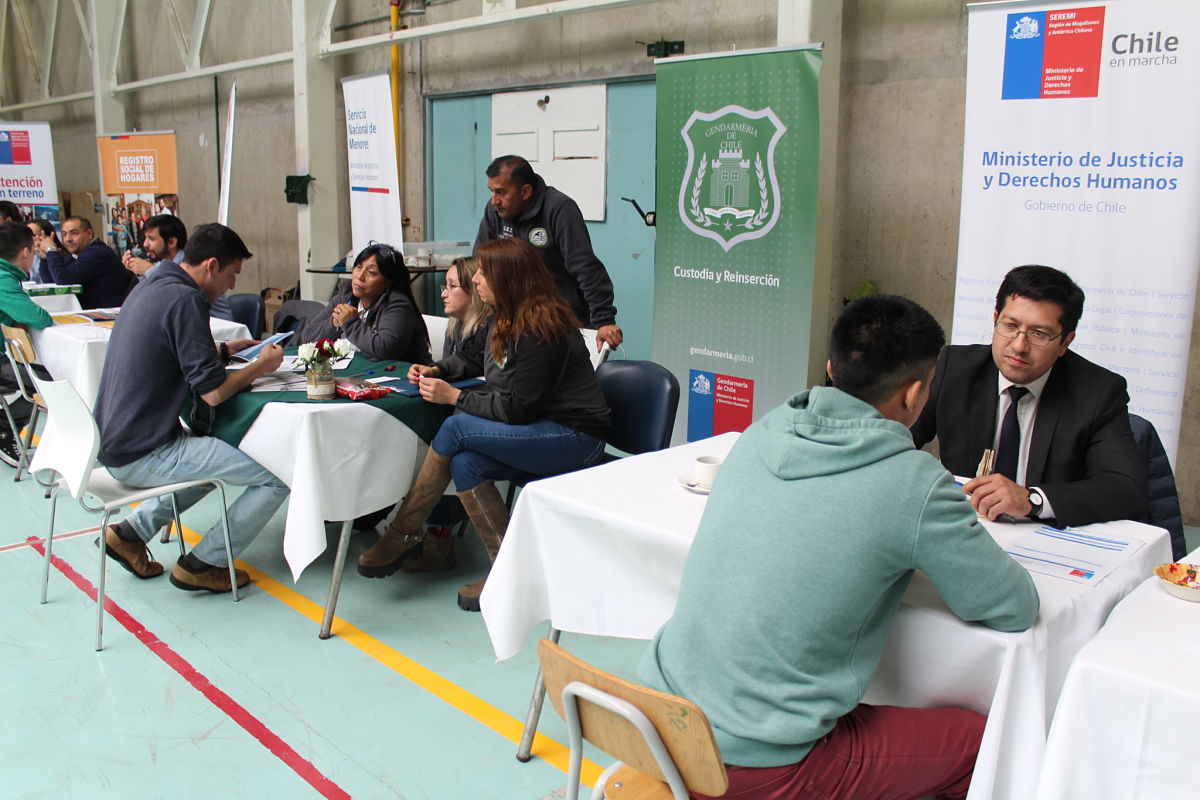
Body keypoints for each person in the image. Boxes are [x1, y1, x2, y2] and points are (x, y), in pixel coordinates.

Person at [638, 294, 1040, 800]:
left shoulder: (762, 431)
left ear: (830, 368)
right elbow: (1013, 607)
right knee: (989, 744)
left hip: (654, 715)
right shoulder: (912, 481)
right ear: (915, 394)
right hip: (757, 763)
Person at [357, 237, 611, 610]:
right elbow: (473, 359)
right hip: (541, 429)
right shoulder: (504, 317)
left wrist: (454, 396)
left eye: (484, 274)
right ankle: (510, 572)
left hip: (574, 436)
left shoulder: (542, 327)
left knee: (456, 428)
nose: (476, 281)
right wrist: (438, 369)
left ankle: (402, 532)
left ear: (509, 278)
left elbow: (517, 409)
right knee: (465, 462)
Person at [93, 223, 290, 593]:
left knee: (210, 460)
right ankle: (205, 563)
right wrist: (260, 366)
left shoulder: (153, 283)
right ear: (212, 265)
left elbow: (168, 351)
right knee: (278, 474)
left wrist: (225, 352)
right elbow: (213, 394)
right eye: (232, 275)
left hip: (114, 440)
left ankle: (130, 533)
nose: (232, 286)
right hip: (142, 450)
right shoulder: (187, 300)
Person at [910, 265, 1145, 528]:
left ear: (1065, 342)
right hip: (967, 528)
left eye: (1039, 334)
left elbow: (1124, 488)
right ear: (996, 318)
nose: (1019, 346)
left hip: (1048, 537)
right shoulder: (952, 369)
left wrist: (1032, 500)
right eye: (1010, 326)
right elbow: (893, 441)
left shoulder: (1098, 392)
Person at [474, 155, 622, 350]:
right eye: (491, 191)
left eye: (501, 192)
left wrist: (604, 320)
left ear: (525, 191)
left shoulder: (559, 208)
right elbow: (480, 262)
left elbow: (585, 267)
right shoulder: (495, 212)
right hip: (516, 320)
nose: (494, 201)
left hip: (563, 321)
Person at [298, 243, 431, 364]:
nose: (359, 276)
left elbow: (386, 350)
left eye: (371, 272)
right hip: (361, 374)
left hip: (406, 379)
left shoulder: (397, 304)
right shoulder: (346, 295)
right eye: (358, 267)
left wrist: (350, 323)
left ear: (388, 282)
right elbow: (308, 337)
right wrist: (334, 323)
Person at [0, 222, 52, 467]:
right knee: (54, 383)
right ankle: (3, 427)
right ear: (24, 251)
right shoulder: (2, 280)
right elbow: (38, 318)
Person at [122, 214, 234, 322]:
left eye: (151, 239)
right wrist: (140, 271)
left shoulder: (190, 264)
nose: (145, 244)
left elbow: (172, 293)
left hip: (219, 329)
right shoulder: (163, 265)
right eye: (145, 238)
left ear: (171, 242)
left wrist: (150, 271)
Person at [39, 215, 133, 309]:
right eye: (64, 234)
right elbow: (51, 283)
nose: (68, 239)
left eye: (74, 233)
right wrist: (45, 256)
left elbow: (63, 279)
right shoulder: (76, 255)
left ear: (89, 233)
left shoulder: (97, 253)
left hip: (109, 318)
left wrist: (51, 250)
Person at [26, 219, 63, 284]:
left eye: (33, 235)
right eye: (27, 235)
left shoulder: (58, 257)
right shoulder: (27, 255)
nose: (28, 238)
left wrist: (50, 252)